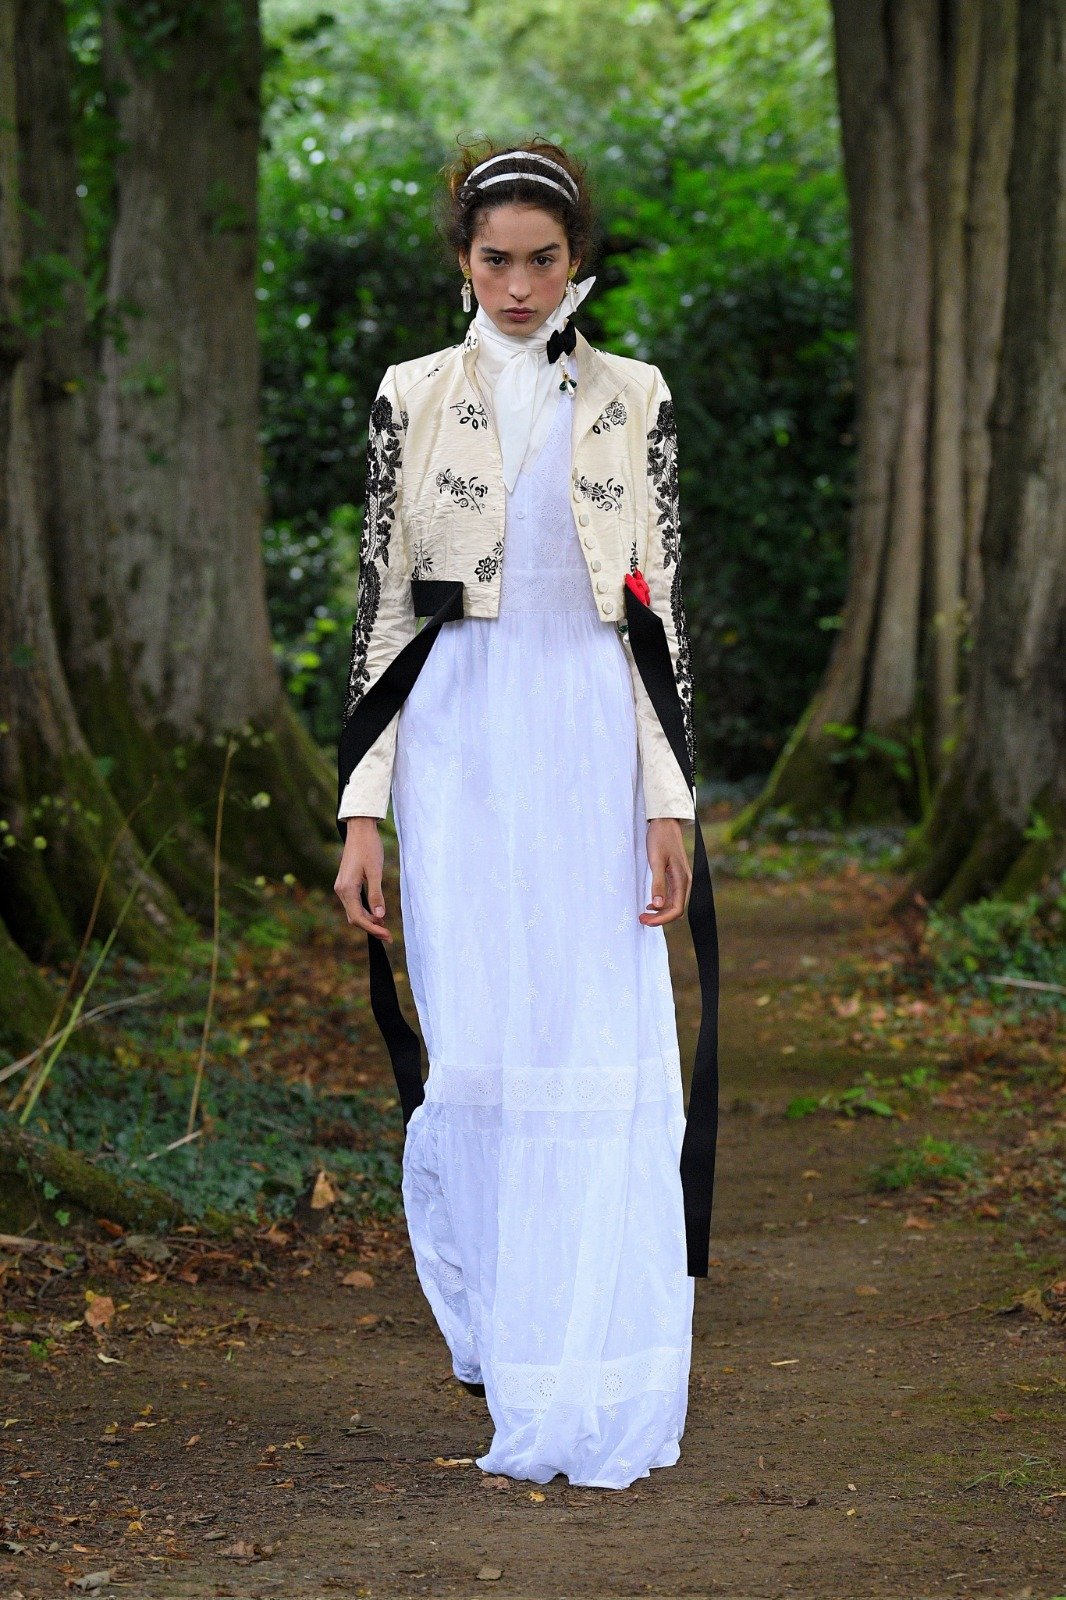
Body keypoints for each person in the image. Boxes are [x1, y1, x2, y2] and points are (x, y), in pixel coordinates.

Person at [334, 138, 707, 1490]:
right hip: (460, 743)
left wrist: (667, 802)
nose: (518, 284)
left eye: (542, 259)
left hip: (586, 733)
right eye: (494, 259)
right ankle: (510, 1344)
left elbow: (658, 613)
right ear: (461, 260)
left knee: (595, 1036)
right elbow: (384, 608)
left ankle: (592, 1363)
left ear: (576, 260)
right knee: (480, 1045)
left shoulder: (633, 396)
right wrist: (361, 811)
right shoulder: (411, 396)